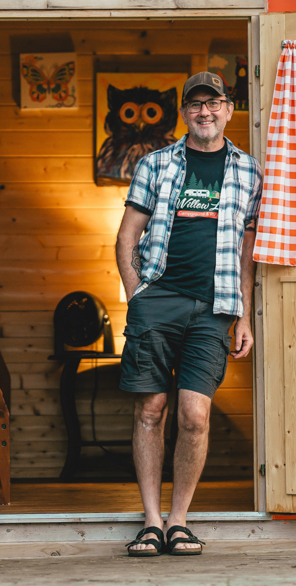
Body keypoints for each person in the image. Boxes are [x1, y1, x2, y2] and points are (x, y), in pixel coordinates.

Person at [115, 72, 262, 558]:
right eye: (196, 104)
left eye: (214, 103)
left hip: (215, 308)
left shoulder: (248, 171)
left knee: (194, 416)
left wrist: (244, 315)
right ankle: (152, 523)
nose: (205, 112)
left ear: (228, 110)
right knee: (151, 410)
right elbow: (126, 236)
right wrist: (137, 294)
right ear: (184, 112)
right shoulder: (154, 164)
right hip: (158, 301)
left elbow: (246, 250)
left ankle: (180, 521)